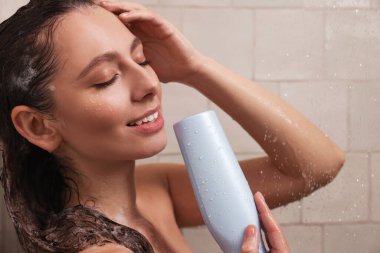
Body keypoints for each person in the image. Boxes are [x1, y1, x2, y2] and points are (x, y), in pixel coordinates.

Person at [0, 0, 344, 252]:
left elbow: (315, 166)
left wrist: (195, 67)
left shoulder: (153, 191)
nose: (149, 83)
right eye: (106, 79)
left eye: (141, 59)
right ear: (38, 125)